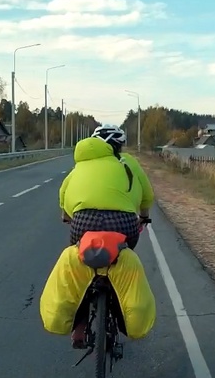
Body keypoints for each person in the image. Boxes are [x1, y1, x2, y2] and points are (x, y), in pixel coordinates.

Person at [57, 124, 155, 348]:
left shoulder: (82, 164)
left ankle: (79, 330)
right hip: (123, 223)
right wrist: (144, 216)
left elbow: (64, 193)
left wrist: (66, 215)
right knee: (123, 259)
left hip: (83, 223)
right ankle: (123, 315)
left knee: (81, 268)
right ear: (119, 146)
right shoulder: (128, 161)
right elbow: (147, 194)